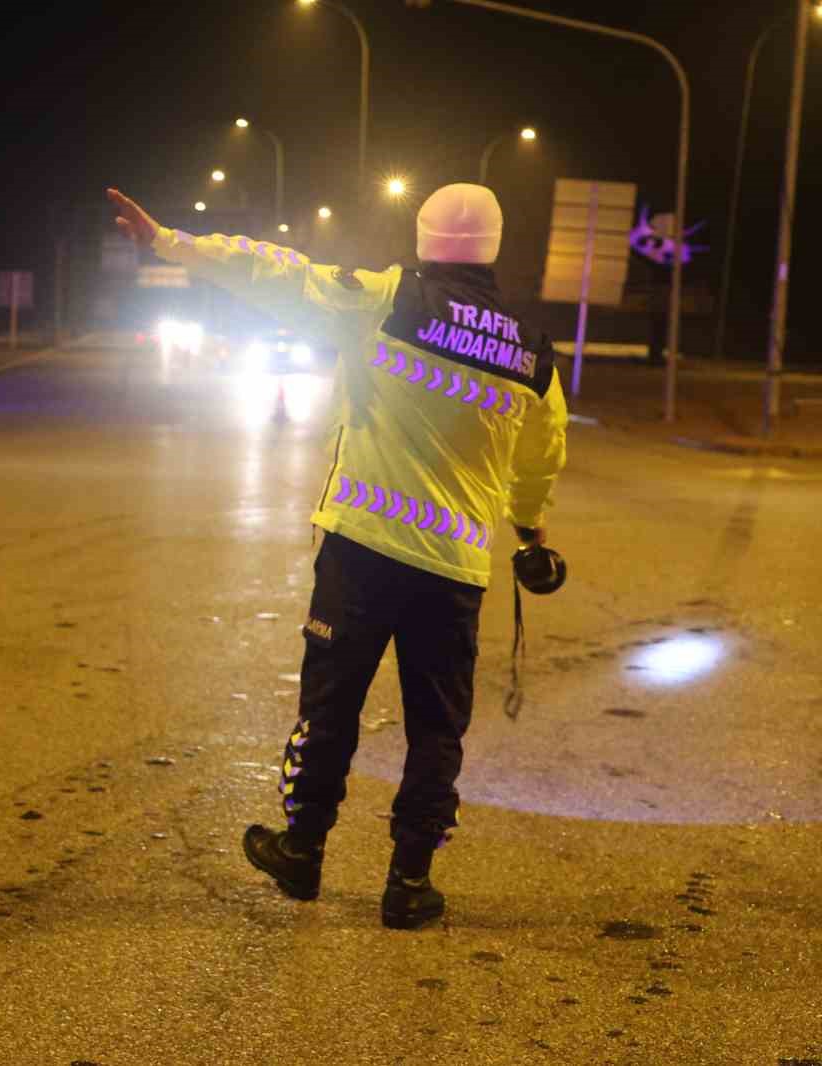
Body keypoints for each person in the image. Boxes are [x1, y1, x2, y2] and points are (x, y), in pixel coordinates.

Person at [107, 183, 567, 930]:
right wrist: (529, 530)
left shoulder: (386, 299)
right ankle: (408, 884)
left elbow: (278, 272)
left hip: (362, 553)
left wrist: (172, 243)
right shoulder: (532, 350)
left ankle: (303, 850)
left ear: (424, 240)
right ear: (494, 246)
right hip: (453, 573)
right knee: (436, 730)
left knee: (330, 708)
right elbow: (543, 454)